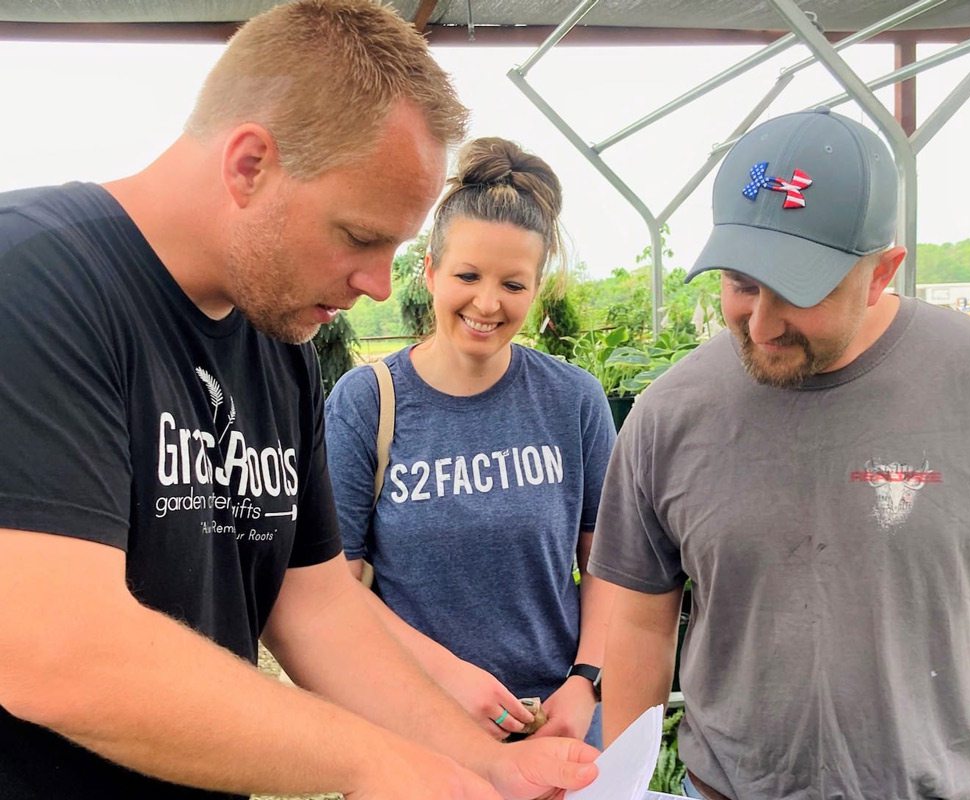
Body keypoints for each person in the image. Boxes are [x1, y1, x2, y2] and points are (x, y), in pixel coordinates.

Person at [0, 3, 600, 799]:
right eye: (358, 237)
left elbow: (315, 605)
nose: (380, 284)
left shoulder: (276, 347)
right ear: (250, 164)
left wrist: (484, 760)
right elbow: (58, 652)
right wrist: (380, 764)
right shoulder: (35, 282)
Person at [589, 108, 970, 800]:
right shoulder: (669, 414)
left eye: (801, 291)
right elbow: (637, 624)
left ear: (883, 270)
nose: (762, 324)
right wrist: (621, 785)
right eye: (740, 283)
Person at [325, 137, 617, 746]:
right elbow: (334, 588)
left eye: (513, 284)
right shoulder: (367, 403)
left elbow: (608, 565)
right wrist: (449, 677)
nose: (487, 303)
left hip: (556, 725)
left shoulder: (574, 401)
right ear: (429, 272)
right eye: (467, 275)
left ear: (538, 289)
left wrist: (586, 681)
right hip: (419, 725)